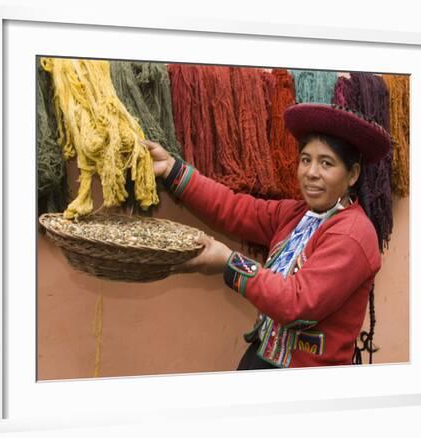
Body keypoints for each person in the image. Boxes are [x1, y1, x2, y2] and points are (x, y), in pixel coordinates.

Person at [142, 102, 392, 369]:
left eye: (326, 163)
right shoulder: (296, 215)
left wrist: (229, 263)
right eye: (306, 160)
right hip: (262, 356)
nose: (311, 173)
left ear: (352, 174)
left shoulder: (353, 234)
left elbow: (297, 302)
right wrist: (171, 169)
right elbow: (232, 208)